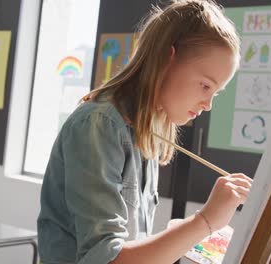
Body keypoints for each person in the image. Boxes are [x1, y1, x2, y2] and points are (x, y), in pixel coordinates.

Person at [37, 1, 253, 263]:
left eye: (215, 93)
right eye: (205, 86)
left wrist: (192, 232)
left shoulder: (145, 129)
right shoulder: (99, 125)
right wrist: (205, 221)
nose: (208, 105)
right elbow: (105, 258)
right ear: (166, 59)